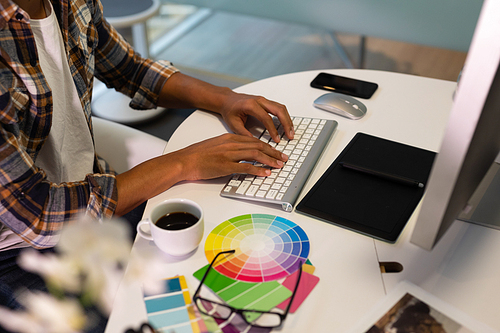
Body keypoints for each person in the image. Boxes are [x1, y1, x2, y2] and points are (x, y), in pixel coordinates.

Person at [0, 0, 294, 328]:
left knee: (221, 276)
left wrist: (225, 99)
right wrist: (185, 162)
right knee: (147, 318)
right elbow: (38, 211)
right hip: (17, 250)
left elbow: (128, 68)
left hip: (96, 201)